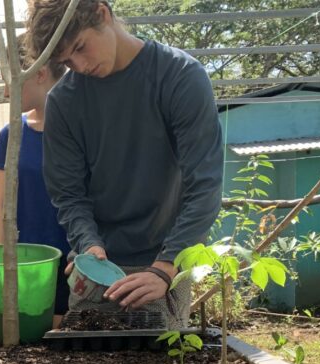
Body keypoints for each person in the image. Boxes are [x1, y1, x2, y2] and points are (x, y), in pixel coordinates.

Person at [27, 0, 223, 328]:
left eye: (80, 47)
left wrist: (166, 266)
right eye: (66, 61)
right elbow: (68, 194)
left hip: (164, 262)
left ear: (103, 14)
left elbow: (204, 184)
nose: (79, 65)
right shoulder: (64, 102)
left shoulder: (179, 77)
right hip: (96, 268)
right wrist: (87, 243)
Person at [0, 51, 70, 327]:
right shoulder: (11, 134)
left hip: (74, 261)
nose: (5, 93)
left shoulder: (82, 129)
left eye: (11, 82)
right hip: (25, 264)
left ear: (40, 73)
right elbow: (0, 206)